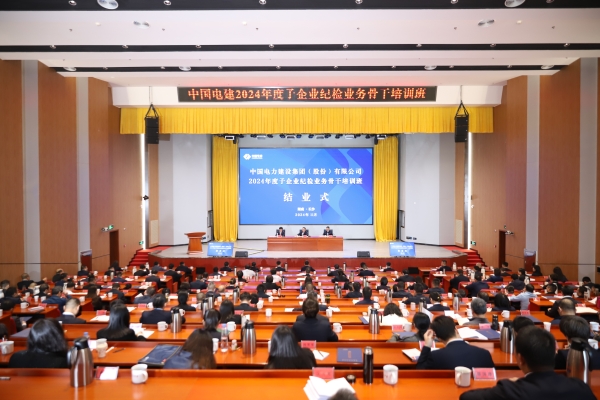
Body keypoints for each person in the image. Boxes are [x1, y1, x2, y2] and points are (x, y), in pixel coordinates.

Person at [459, 326, 595, 400]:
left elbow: (466, 397)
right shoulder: (580, 387)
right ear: (554, 353)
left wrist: (512, 383)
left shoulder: (510, 391)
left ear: (520, 359)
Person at [416, 315, 495, 370]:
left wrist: (427, 346)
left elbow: (420, 371)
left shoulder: (435, 356)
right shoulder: (484, 353)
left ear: (438, 337)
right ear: (456, 330)